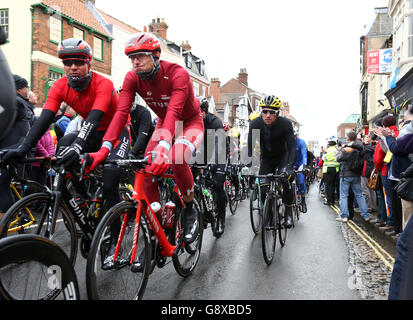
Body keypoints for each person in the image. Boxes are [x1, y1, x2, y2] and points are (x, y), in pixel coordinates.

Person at [3, 38, 131, 264]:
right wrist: (23, 148)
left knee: (110, 179)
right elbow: (44, 119)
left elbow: (94, 117)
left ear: (89, 63)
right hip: (91, 132)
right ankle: (81, 197)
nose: (73, 67)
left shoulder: (104, 84)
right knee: (63, 148)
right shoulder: (60, 86)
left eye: (78, 62)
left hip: (115, 132)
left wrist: (79, 145)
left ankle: (114, 237)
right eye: (68, 62)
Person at [115, 32, 204, 244]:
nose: (135, 62)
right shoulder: (132, 77)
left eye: (141, 56)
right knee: (146, 166)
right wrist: (106, 146)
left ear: (156, 55)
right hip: (165, 122)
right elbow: (120, 113)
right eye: (132, 58)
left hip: (188, 122)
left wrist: (164, 147)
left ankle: (190, 209)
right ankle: (156, 220)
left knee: (177, 158)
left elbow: (174, 111)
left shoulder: (177, 73)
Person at [247, 94, 296, 228]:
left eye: (272, 112)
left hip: (283, 158)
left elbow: (292, 149)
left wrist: (289, 167)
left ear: (277, 113)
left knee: (286, 181)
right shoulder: (255, 124)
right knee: (263, 190)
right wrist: (248, 167)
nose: (267, 115)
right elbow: (250, 148)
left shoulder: (285, 124)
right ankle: (268, 215)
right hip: (267, 159)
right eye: (264, 111)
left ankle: (288, 212)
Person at [198, 97, 227, 236]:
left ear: (204, 112)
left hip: (218, 151)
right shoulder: (189, 121)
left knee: (217, 184)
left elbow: (218, 144)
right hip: (201, 152)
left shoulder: (214, 121)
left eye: (199, 112)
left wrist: (213, 161)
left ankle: (220, 218)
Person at [335, 130, 371, 223]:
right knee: (359, 195)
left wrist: (340, 151)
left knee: (343, 196)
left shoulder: (347, 148)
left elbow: (338, 158)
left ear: (348, 138)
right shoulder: (360, 148)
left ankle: (344, 216)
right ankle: (366, 215)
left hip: (346, 175)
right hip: (356, 174)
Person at [322, 136, 340, 205]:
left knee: (329, 186)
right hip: (335, 170)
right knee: (333, 185)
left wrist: (324, 155)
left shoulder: (328, 150)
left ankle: (329, 201)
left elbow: (325, 159)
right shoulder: (336, 150)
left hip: (328, 169)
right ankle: (333, 200)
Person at [293, 127, 308, 213]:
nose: (293, 138)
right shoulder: (287, 142)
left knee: (301, 182)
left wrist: (305, 165)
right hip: (291, 163)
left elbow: (304, 154)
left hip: (300, 163)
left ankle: (303, 201)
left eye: (295, 136)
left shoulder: (301, 142)